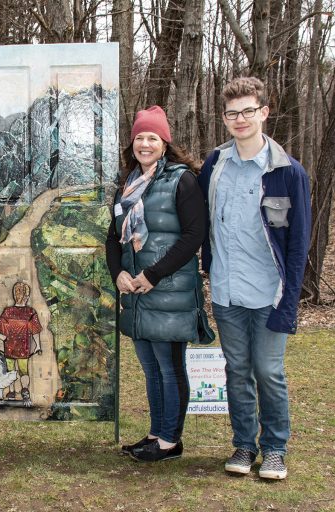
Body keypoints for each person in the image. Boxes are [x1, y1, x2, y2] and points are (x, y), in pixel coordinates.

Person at [198, 77, 311, 480]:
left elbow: (298, 246)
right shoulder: (215, 165)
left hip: (270, 295)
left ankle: (275, 448)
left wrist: (289, 303)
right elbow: (195, 219)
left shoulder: (288, 173)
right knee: (237, 371)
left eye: (248, 111)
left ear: (264, 112)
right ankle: (244, 445)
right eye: (232, 113)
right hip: (227, 293)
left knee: (269, 372)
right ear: (224, 118)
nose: (240, 119)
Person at [105, 106, 213, 463]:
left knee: (169, 366)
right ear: (132, 143)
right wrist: (117, 272)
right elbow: (113, 237)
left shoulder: (182, 180)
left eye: (153, 137)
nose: (145, 143)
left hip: (168, 291)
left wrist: (154, 274)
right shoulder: (128, 183)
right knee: (151, 367)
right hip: (135, 291)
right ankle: (156, 433)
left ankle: (170, 441)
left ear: (165, 143)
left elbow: (195, 235)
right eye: (140, 137)